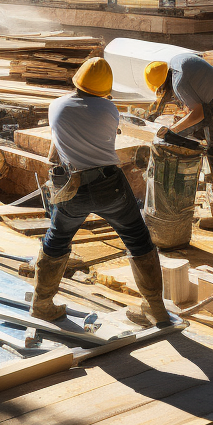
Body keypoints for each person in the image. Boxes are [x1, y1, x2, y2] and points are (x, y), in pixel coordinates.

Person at [31, 57, 171, 328]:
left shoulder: (56, 105)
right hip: (110, 185)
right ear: (105, 88)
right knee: (137, 238)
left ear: (77, 80)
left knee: (57, 239)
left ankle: (42, 304)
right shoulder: (109, 109)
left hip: (72, 187)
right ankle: (155, 309)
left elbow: (55, 152)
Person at [144, 55, 213, 230]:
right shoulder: (174, 64)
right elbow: (196, 96)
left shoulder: (178, 83)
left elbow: (198, 114)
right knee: (211, 151)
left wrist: (174, 129)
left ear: (163, 85)